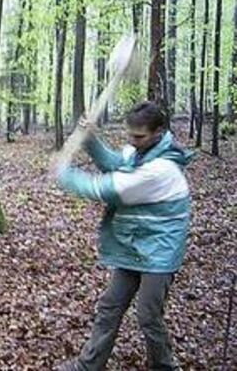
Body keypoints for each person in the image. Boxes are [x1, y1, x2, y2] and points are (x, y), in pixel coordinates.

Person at [53, 101, 193, 370]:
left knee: (149, 315)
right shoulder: (142, 152)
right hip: (135, 245)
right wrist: (91, 139)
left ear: (158, 132)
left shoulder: (160, 169)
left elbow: (107, 188)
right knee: (110, 306)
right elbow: (116, 162)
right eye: (129, 134)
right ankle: (88, 365)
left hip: (159, 252)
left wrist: (65, 176)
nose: (132, 141)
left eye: (139, 136)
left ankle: (164, 367)